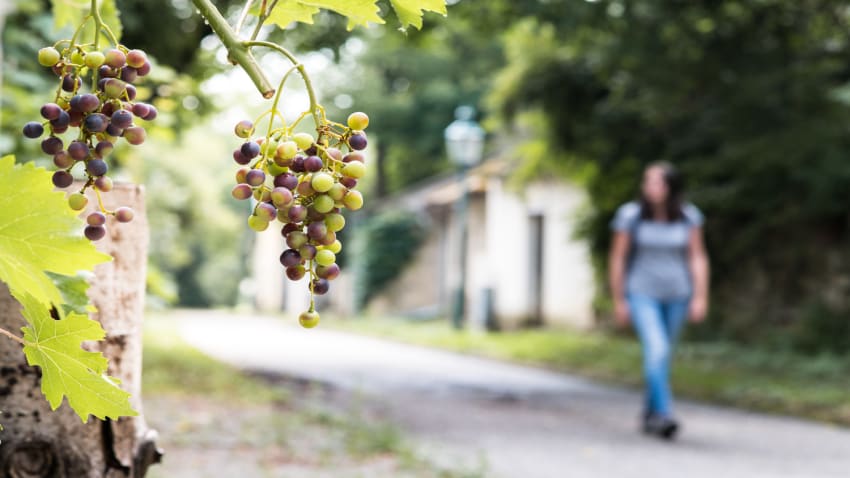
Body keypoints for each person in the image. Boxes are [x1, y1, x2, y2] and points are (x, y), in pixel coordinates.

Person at [608, 161, 709, 440]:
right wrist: (619, 299)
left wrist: (700, 296)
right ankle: (664, 413)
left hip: (678, 293)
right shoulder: (631, 216)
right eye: (647, 181)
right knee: (657, 348)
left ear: (671, 187)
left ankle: (649, 413)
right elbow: (618, 258)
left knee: (663, 356)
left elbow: (697, 256)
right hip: (642, 292)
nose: (650, 187)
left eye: (657, 182)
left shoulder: (688, 216)